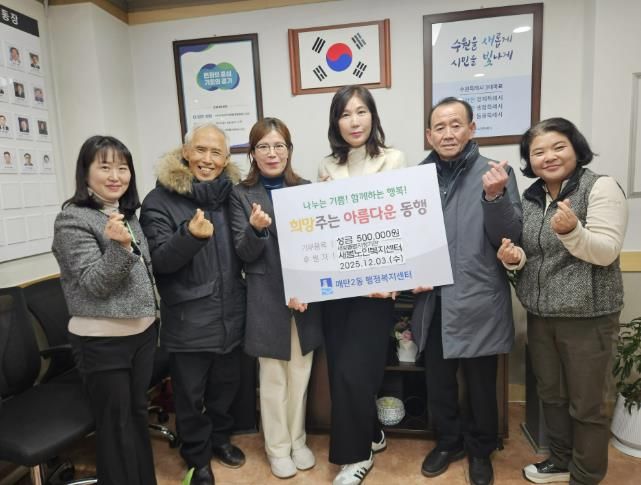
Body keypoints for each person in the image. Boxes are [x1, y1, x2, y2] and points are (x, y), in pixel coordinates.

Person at [496, 118, 627, 485]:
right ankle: (560, 461)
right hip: (541, 315)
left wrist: (572, 231)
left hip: (589, 316)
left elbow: (606, 251)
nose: (548, 157)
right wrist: (514, 258)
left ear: (575, 148)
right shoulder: (532, 197)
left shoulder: (599, 187)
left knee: (588, 404)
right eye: (538, 152)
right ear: (529, 160)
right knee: (551, 396)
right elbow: (536, 255)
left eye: (558, 147)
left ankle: (586, 476)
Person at [410, 97, 522, 485]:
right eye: (439, 127)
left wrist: (494, 197)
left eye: (456, 125)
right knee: (438, 381)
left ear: (472, 129)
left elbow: (510, 235)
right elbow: (405, 240)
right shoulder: (416, 178)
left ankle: (481, 449)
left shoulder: (496, 174)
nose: (448, 133)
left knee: (480, 385)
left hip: (477, 297)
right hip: (433, 298)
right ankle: (448, 442)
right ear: (429, 135)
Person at [140, 123, 246, 485]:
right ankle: (197, 457)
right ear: (186, 152)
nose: (207, 159)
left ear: (226, 159)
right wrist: (189, 236)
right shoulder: (159, 200)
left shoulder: (232, 196)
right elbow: (160, 262)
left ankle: (220, 440)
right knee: (190, 398)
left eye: (216, 152)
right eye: (200, 150)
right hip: (189, 322)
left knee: (225, 390)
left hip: (232, 316)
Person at [51, 135, 158, 485]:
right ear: (85, 173)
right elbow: (94, 284)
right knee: (116, 427)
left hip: (142, 334)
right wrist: (120, 247)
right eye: (105, 167)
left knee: (137, 415)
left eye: (122, 168)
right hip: (102, 340)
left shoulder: (126, 215)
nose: (115, 176)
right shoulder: (72, 220)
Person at [317, 85, 406, 485]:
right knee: (342, 369)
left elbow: (401, 223)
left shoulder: (393, 159)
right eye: (345, 114)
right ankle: (371, 433)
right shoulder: (326, 165)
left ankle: (355, 457)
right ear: (336, 122)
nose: (354, 121)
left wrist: (395, 279)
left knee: (356, 371)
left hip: (376, 287)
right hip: (337, 287)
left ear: (373, 116)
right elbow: (325, 227)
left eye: (361, 112)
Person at [229, 117, 323, 479]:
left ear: (289, 150)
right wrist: (255, 230)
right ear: (252, 153)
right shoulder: (240, 194)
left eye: (279, 145)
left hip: (304, 300)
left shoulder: (306, 189)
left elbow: (319, 247)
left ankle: (298, 440)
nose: (272, 153)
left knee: (300, 374)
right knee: (272, 379)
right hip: (266, 297)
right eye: (264, 146)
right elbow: (242, 253)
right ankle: (278, 448)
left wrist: (307, 288)